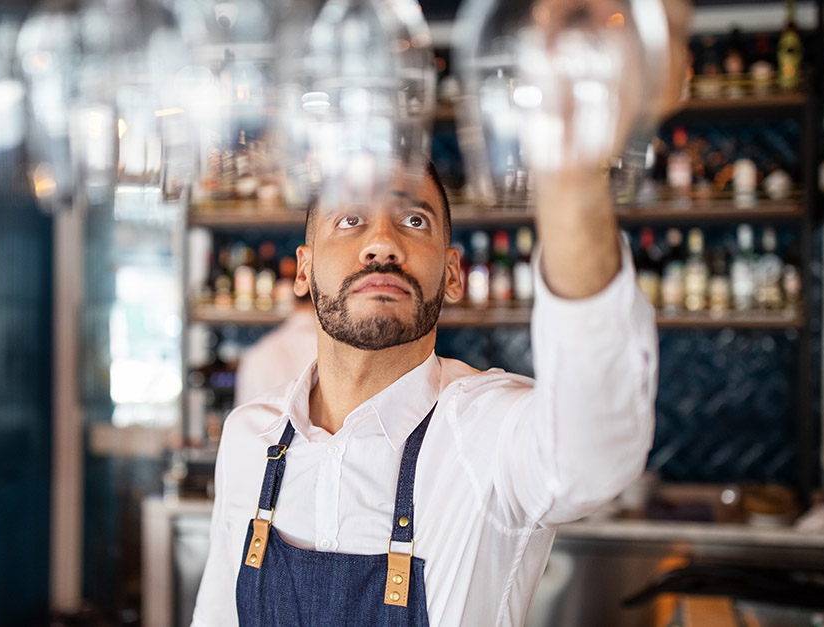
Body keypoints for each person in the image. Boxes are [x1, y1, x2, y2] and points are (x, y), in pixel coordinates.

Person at [192, 2, 691, 624]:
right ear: (302, 268)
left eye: (414, 219)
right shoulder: (250, 437)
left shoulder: (489, 435)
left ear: (451, 273)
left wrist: (573, 165)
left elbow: (594, 453)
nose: (382, 243)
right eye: (350, 220)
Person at [233, 296, 318, 407]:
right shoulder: (333, 348)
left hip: (264, 423)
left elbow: (243, 413)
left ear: (293, 304)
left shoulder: (258, 352)